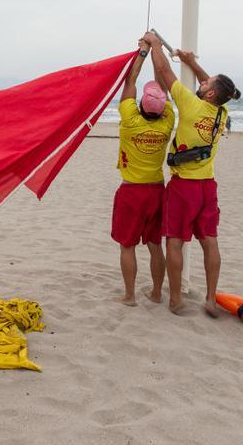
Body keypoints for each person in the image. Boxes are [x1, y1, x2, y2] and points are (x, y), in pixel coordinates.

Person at [142, 31, 240, 315]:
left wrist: (156, 44)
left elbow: (163, 70)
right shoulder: (220, 114)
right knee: (210, 241)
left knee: (175, 241)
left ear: (209, 93)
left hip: (183, 186)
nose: (203, 80)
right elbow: (216, 89)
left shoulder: (190, 104)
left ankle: (175, 299)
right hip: (207, 187)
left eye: (206, 82)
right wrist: (193, 63)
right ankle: (210, 298)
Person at [112, 39, 176, 306]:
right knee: (154, 246)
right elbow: (163, 80)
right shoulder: (167, 121)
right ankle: (157, 292)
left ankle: (129, 295)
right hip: (156, 190)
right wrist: (157, 49)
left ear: (140, 104)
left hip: (131, 191)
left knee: (127, 245)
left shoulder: (130, 118)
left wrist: (144, 49)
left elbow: (132, 78)